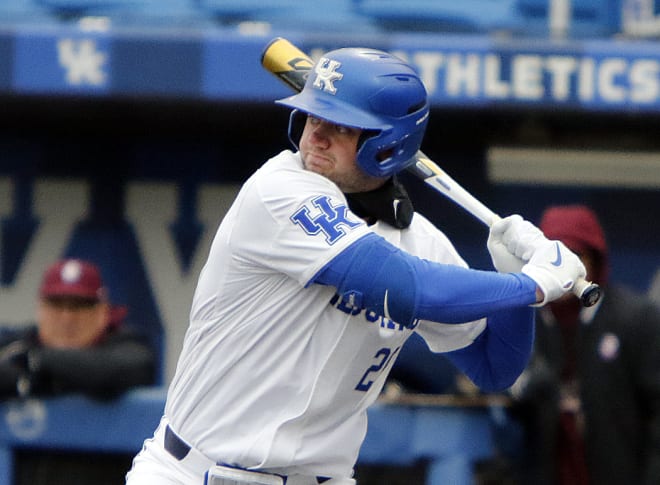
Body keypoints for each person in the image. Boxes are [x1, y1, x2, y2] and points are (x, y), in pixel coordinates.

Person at [125, 47, 586, 485]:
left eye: (341, 126)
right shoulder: (278, 190)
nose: (316, 135)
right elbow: (405, 288)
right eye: (311, 116)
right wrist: (530, 285)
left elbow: (494, 368)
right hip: (194, 472)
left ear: (389, 146)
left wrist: (513, 297)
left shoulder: (422, 242)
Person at [509, 204, 660, 485]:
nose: (563, 269)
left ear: (594, 259)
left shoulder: (636, 318)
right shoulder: (523, 319)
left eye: (575, 255)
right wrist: (519, 387)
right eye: (553, 257)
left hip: (619, 470)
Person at [0, 258, 156, 400]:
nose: (67, 317)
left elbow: (135, 368)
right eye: (56, 304)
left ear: (102, 312)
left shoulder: (125, 342)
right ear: (40, 309)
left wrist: (36, 363)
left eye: (80, 305)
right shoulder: (18, 344)